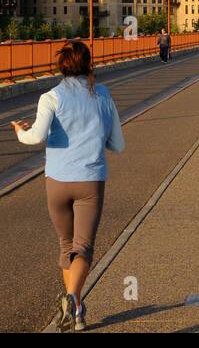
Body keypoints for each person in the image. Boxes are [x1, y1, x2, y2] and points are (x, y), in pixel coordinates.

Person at [12, 39, 124, 332]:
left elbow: (35, 137)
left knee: (67, 247)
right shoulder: (102, 94)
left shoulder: (50, 97)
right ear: (89, 64)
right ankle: (72, 298)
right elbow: (118, 144)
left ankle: (76, 310)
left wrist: (20, 132)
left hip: (57, 181)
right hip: (90, 180)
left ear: (61, 66)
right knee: (83, 248)